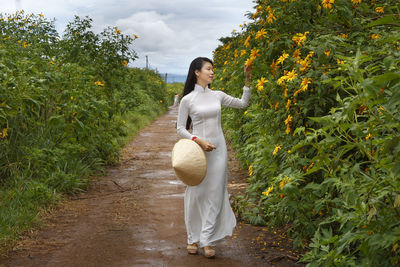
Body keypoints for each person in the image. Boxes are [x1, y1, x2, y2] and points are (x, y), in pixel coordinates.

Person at [176, 57, 252, 258]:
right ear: (197, 72)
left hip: (218, 151)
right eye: (208, 69)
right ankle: (192, 238)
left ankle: (207, 240)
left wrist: (247, 80)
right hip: (197, 153)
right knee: (196, 194)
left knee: (215, 194)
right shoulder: (187, 99)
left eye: (213, 69)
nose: (212, 73)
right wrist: (198, 140)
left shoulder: (217, 95)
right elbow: (180, 128)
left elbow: (243, 103)